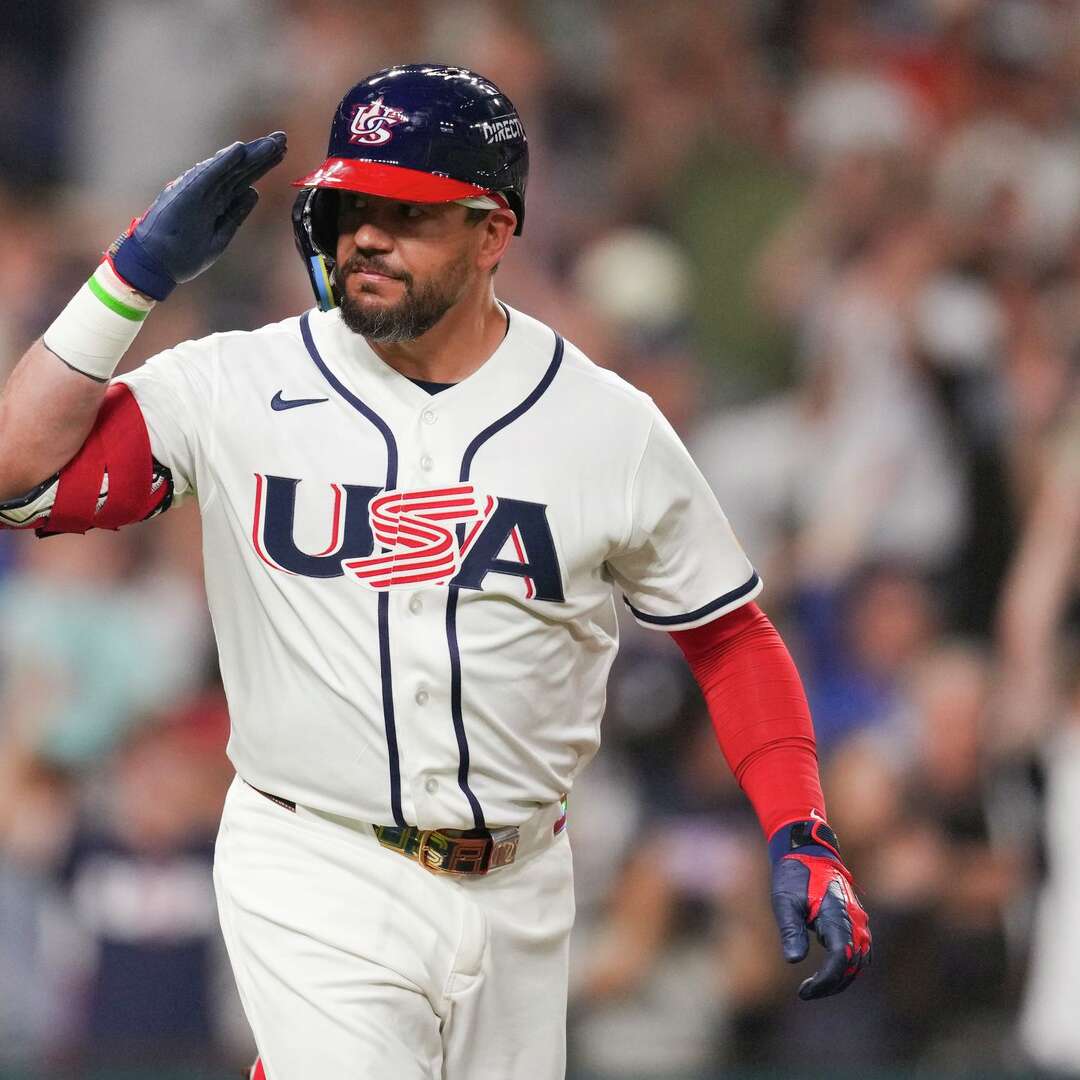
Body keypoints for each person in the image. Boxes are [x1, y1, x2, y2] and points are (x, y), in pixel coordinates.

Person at [0, 64, 870, 1079]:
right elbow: (17, 468)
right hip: (313, 857)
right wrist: (133, 274)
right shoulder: (237, 383)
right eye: (348, 207)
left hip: (525, 884)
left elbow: (727, 634)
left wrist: (799, 824)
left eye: (405, 213)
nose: (366, 236)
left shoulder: (605, 425)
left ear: (493, 232)